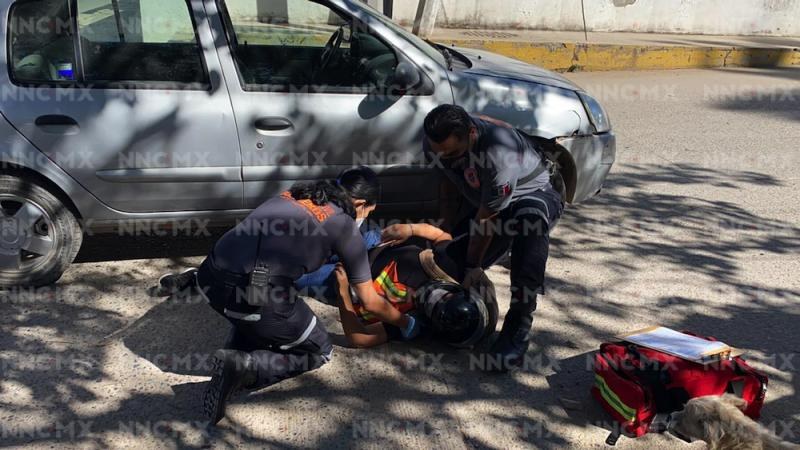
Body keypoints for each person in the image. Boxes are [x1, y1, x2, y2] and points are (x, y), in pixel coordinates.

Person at [164, 180, 419, 426]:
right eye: (368, 210)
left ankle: (238, 349)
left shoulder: (296, 193)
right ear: (361, 202)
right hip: (254, 296)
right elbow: (370, 301)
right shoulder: (344, 226)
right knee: (319, 350)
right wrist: (408, 323)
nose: (365, 217)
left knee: (258, 317)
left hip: (211, 277)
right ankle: (249, 367)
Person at [421, 104, 564, 371]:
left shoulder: (499, 152)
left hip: (533, 195)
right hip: (488, 202)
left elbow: (486, 221)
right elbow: (447, 186)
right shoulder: (434, 142)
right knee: (445, 261)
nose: (446, 158)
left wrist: (474, 267)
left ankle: (519, 326)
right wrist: (445, 230)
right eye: (441, 154)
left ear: (472, 133)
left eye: (452, 153)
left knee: (528, 229)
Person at [334, 222, 498, 349]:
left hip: (337, 275)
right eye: (445, 296)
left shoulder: (414, 322)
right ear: (458, 289)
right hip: (375, 240)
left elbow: (360, 339)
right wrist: (410, 229)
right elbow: (441, 236)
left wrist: (342, 293)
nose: (434, 296)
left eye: (433, 307)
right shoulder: (448, 267)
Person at [294, 167, 382, 303]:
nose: (367, 215)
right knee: (371, 244)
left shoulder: (324, 198)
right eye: (369, 211)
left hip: (300, 260)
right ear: (360, 204)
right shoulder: (333, 218)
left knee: (372, 235)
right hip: (294, 274)